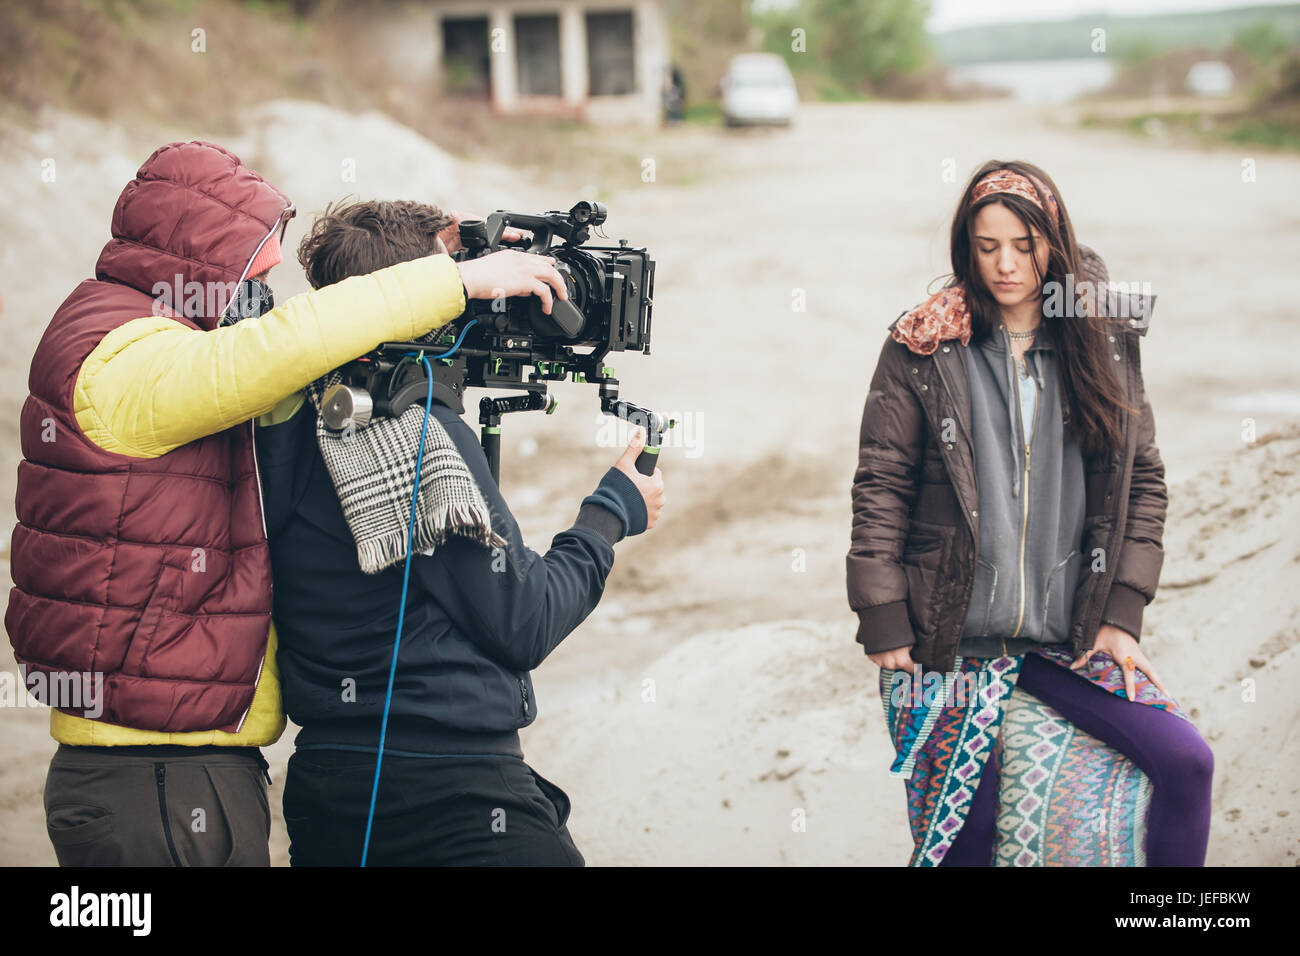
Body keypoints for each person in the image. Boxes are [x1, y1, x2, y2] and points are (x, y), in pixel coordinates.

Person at [7, 141, 567, 866]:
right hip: (154, 775)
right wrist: (455, 281)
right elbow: (276, 351)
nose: (266, 289)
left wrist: (445, 244)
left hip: (179, 762)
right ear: (198, 261)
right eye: (254, 268)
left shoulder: (143, 335)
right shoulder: (124, 359)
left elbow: (295, 357)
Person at [255, 199, 665, 866]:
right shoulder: (419, 443)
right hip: (452, 796)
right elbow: (523, 621)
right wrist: (612, 511)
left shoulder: (289, 423)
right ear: (420, 303)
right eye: (459, 280)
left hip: (329, 786)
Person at [846, 160, 1214, 866]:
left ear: (1055, 242)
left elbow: (1142, 482)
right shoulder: (923, 346)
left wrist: (1121, 613)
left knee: (1184, 763)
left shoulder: (1101, 338)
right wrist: (883, 616)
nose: (1006, 265)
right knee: (965, 838)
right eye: (987, 248)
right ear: (966, 249)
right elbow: (881, 485)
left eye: (1024, 244)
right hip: (949, 641)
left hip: (1064, 641)